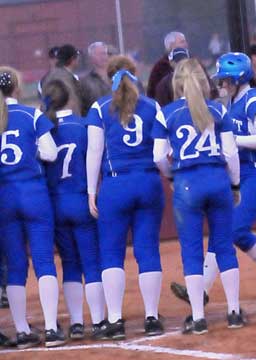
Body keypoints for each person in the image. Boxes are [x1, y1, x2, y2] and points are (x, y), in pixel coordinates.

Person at [170, 53, 256, 311]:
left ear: (239, 78)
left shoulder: (253, 99)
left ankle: (205, 290)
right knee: (226, 229)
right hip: (241, 172)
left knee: (232, 228)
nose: (221, 84)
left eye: (226, 79)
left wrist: (235, 141)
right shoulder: (232, 101)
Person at [153, 58, 243, 333]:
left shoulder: (165, 113)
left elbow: (158, 156)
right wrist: (235, 185)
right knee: (224, 247)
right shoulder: (218, 109)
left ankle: (199, 317)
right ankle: (234, 312)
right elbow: (230, 154)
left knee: (191, 251)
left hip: (187, 184)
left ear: (176, 84)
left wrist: (171, 176)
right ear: (205, 82)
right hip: (217, 181)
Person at [86, 55, 165, 340]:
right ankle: (152, 317)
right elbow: (160, 152)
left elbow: (94, 152)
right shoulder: (152, 106)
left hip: (115, 185)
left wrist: (90, 191)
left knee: (110, 252)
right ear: (135, 74)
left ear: (110, 78)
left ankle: (116, 319)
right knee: (148, 250)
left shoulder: (99, 108)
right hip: (147, 181)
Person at [0, 67, 66, 348]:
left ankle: (22, 331)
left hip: (4, 197)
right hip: (34, 193)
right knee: (43, 261)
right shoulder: (32, 115)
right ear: (17, 88)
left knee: (15, 266)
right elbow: (50, 152)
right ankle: (51, 329)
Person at [43, 77, 106, 340]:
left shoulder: (44, 128)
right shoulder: (83, 126)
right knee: (91, 263)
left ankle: (77, 323)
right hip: (81, 200)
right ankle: (100, 322)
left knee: (69, 264)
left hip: (56, 203)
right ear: (71, 97)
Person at [147, 31, 188, 99]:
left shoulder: (193, 63)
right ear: (171, 46)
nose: (186, 44)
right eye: (182, 42)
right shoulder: (161, 67)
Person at [80, 42, 111, 116]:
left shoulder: (117, 77)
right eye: (99, 54)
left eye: (104, 53)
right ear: (91, 58)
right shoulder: (85, 82)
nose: (103, 57)